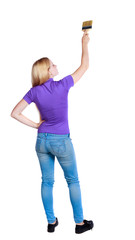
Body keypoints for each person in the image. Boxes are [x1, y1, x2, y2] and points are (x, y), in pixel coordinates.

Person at [10, 30, 94, 234]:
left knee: (47, 181)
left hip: (42, 141)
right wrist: (84, 42)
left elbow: (15, 113)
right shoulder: (62, 85)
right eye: (53, 65)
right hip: (61, 142)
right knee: (72, 180)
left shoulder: (34, 92)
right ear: (48, 71)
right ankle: (80, 223)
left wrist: (37, 125)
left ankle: (51, 222)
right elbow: (84, 66)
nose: (56, 66)